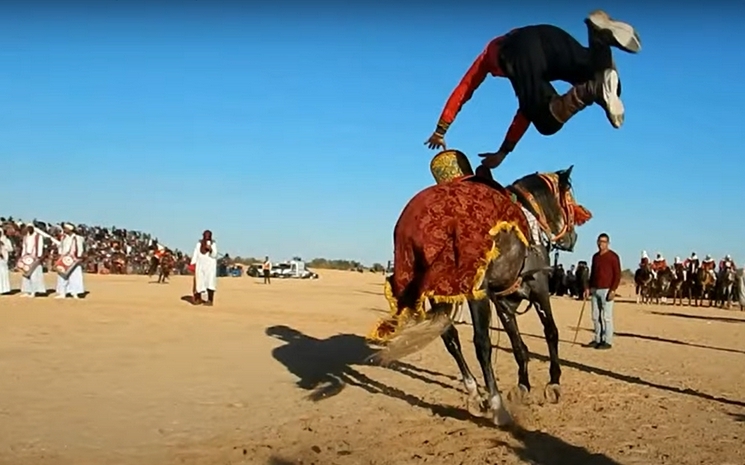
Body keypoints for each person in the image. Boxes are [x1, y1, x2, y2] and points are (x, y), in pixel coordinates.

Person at [425, 10, 641, 173]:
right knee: (598, 72)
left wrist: (441, 129)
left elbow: (464, 89)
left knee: (547, 122)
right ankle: (599, 39)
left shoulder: (489, 57)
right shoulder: (532, 73)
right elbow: (527, 107)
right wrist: (504, 149)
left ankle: (590, 91)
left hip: (518, 48)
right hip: (549, 34)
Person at [585, 233, 621, 350]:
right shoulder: (595, 257)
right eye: (600, 241)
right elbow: (593, 273)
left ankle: (607, 340)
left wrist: (613, 290)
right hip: (595, 289)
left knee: (606, 317)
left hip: (607, 290)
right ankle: (597, 339)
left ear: (608, 243)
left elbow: (617, 274)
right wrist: (588, 287)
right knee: (595, 316)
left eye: (604, 242)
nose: (601, 244)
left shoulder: (613, 256)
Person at [54, 223, 86, 299]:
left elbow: (80, 248)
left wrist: (79, 256)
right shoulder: (64, 238)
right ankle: (62, 293)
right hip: (64, 258)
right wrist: (60, 255)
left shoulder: (78, 238)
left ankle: (75, 293)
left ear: (70, 229)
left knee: (75, 276)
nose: (64, 230)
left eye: (66, 228)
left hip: (74, 259)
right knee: (62, 276)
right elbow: (61, 247)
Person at [190, 230, 218, 305]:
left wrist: (210, 249)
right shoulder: (199, 244)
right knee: (199, 281)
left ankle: (210, 300)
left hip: (210, 267)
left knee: (210, 282)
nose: (207, 237)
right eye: (205, 236)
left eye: (208, 236)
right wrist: (193, 263)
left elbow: (215, 255)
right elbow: (195, 253)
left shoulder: (213, 244)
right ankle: (198, 299)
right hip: (200, 265)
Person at [20, 223, 46, 298]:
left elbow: (40, 246)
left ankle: (34, 291)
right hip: (26, 257)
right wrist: (23, 256)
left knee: (34, 275)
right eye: (28, 228)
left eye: (30, 228)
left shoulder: (38, 237)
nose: (29, 229)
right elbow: (24, 247)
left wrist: (39, 256)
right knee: (25, 274)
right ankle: (27, 290)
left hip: (35, 257)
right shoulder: (26, 237)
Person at [0, 229, 12, 295]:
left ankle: (5, 289)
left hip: (3, 260)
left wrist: (4, 245)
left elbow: (11, 249)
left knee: (3, 274)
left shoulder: (6, 240)